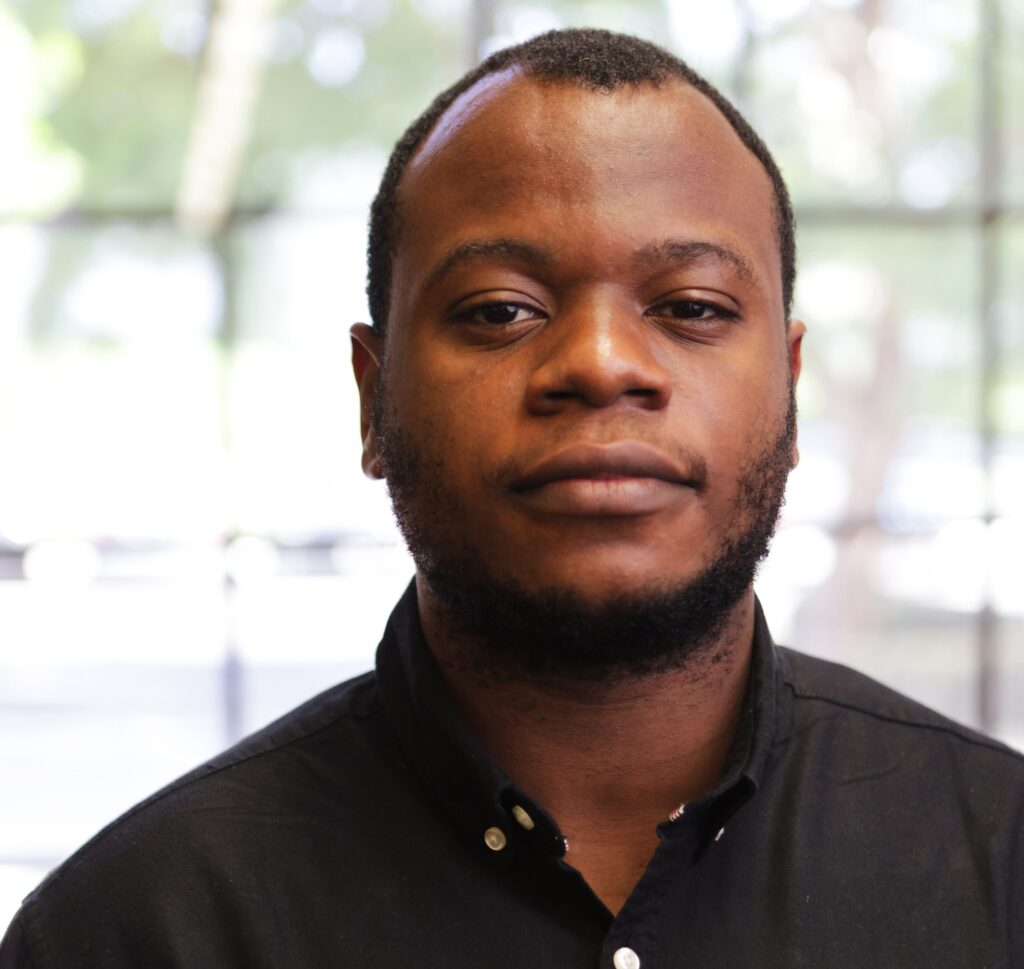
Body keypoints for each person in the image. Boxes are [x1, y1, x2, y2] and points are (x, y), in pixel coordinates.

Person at [2, 27, 1022, 969]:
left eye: (693, 308)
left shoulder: (1000, 864)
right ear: (372, 398)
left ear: (791, 395)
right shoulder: (135, 931)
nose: (601, 364)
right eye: (500, 310)